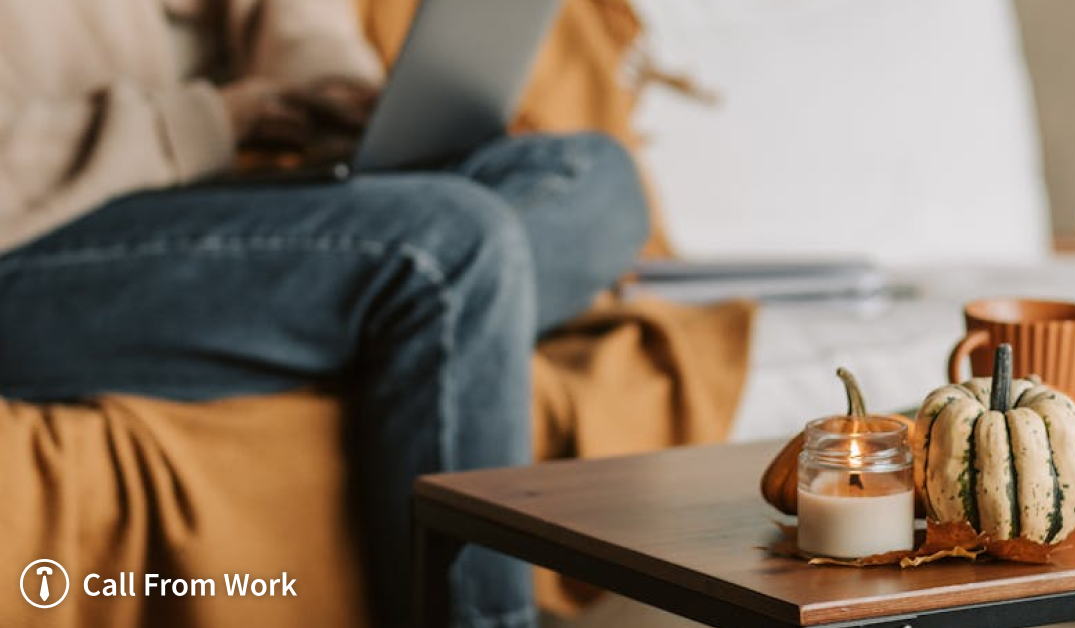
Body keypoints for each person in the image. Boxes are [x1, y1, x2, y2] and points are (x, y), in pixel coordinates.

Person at [0, 1, 649, 627]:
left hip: (191, 196)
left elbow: (293, 24)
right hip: (34, 236)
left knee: (594, 185)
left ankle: (388, 327)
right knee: (451, 247)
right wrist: (195, 124)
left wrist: (339, 97)